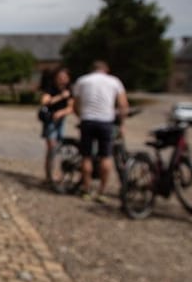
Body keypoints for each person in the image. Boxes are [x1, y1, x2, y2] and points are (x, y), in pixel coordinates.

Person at [72, 60, 128, 201]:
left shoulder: (82, 81)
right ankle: (102, 191)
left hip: (88, 120)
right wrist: (121, 123)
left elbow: (75, 105)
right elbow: (123, 105)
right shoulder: (114, 81)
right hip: (106, 122)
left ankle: (86, 189)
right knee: (106, 156)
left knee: (86, 156)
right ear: (106, 70)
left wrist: (81, 116)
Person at [40, 67, 74, 184]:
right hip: (50, 120)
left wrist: (62, 112)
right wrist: (60, 97)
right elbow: (44, 101)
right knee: (51, 148)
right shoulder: (51, 89)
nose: (62, 80)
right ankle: (49, 175)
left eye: (65, 77)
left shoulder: (69, 90)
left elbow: (71, 107)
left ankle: (57, 174)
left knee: (59, 148)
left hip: (61, 121)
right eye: (60, 77)